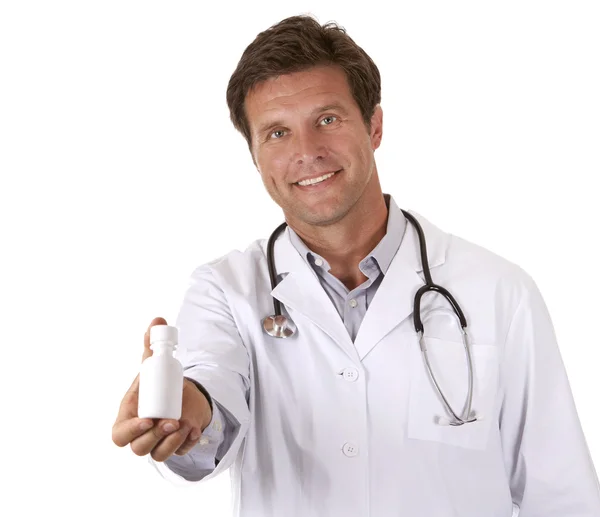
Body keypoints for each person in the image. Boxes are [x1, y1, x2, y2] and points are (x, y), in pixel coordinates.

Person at [112, 14, 600, 516]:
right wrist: (187, 412)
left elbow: (560, 495)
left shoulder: (499, 291)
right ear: (255, 156)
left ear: (374, 125)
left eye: (327, 119)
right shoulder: (225, 289)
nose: (307, 152)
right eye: (277, 133)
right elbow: (211, 388)